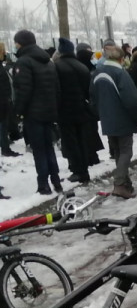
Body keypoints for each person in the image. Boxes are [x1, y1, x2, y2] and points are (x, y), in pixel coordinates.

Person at [12, 30, 62, 195]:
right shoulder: (47, 61)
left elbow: (23, 90)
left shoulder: (23, 62)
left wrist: (18, 112)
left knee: (39, 149)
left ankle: (43, 184)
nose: (15, 45)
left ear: (22, 43)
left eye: (17, 42)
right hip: (48, 111)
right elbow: (56, 88)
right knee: (48, 146)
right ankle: (56, 180)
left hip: (33, 113)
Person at [90, 43, 137, 198]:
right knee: (126, 151)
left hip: (107, 119)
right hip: (122, 118)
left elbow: (92, 97)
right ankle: (119, 184)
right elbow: (131, 100)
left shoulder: (97, 73)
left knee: (118, 151)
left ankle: (126, 184)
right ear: (121, 58)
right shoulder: (121, 74)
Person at [53, 38, 92, 184]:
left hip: (65, 111)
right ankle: (84, 170)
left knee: (70, 142)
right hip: (82, 109)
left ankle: (77, 171)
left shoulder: (57, 67)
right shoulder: (82, 67)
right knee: (81, 140)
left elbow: (56, 90)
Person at [0, 42, 18, 157]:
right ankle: (5, 148)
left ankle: (5, 146)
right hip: (2, 101)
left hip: (3, 99)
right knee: (2, 125)